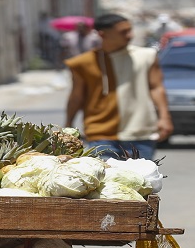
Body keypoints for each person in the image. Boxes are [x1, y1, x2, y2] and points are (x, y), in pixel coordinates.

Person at [64, 13, 173, 160]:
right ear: (102, 34)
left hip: (140, 132)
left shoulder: (146, 56)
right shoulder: (82, 63)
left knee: (141, 174)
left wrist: (164, 117)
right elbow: (77, 96)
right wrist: (68, 125)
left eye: (130, 30)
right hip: (100, 133)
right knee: (103, 174)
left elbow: (156, 87)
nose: (130, 35)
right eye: (123, 32)